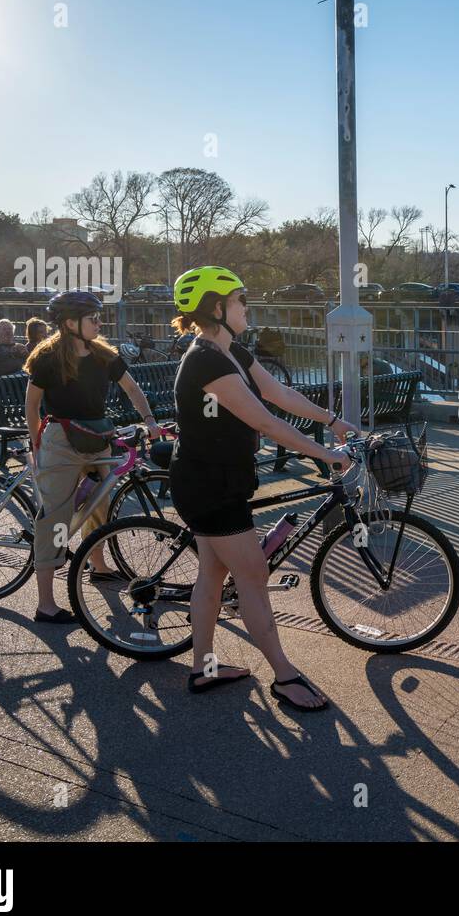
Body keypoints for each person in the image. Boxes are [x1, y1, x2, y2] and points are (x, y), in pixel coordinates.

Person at [167, 266, 352, 712]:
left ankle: (203, 669)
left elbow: (279, 395)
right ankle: (285, 677)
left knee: (212, 576)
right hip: (208, 485)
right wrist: (327, 456)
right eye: (239, 300)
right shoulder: (206, 361)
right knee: (252, 576)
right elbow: (264, 421)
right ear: (217, 308)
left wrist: (332, 421)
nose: (247, 307)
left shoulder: (232, 352)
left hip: (220, 481)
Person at [23, 291, 162, 623]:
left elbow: (131, 388)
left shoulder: (103, 354)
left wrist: (150, 420)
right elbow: (31, 405)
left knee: (100, 505)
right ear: (71, 323)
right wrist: (37, 444)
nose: (100, 323)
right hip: (61, 441)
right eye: (93, 318)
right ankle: (46, 604)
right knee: (55, 518)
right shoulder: (48, 357)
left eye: (99, 317)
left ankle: (98, 567)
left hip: (98, 436)